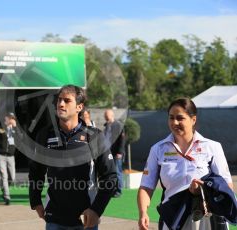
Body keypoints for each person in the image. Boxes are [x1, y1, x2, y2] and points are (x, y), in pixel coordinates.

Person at [28, 85, 117, 230]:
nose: (61, 104)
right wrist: (35, 200)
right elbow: (36, 170)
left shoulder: (94, 136)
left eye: (67, 101)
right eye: (59, 100)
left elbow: (110, 177)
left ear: (79, 107)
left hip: (85, 219)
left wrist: (96, 210)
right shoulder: (44, 134)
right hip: (54, 219)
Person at [137, 98, 234, 230]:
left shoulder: (212, 147)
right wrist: (143, 213)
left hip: (207, 219)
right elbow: (146, 187)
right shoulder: (158, 149)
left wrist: (203, 188)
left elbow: (226, 186)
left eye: (180, 118)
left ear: (193, 120)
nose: (174, 122)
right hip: (173, 218)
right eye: (171, 118)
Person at [0, 113, 17, 205]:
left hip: (11, 155)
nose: (8, 119)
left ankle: (4, 188)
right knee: (4, 175)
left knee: (12, 177)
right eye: (8, 118)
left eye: (10, 118)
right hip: (0, 155)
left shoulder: (15, 130)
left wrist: (16, 128)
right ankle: (7, 196)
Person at [103, 109, 125, 198]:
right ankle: (112, 190)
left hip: (117, 154)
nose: (106, 118)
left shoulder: (118, 125)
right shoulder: (106, 126)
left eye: (107, 116)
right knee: (111, 172)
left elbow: (122, 140)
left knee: (117, 172)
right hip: (109, 153)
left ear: (112, 115)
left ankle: (118, 191)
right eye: (105, 116)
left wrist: (120, 152)